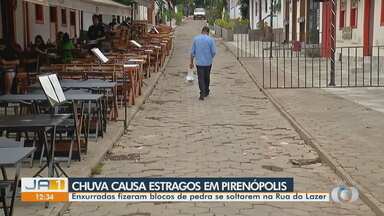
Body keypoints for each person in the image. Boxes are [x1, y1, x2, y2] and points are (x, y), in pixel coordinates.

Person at [190, 26, 216, 100]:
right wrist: (210, 57)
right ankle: (206, 90)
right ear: (208, 32)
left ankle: (202, 93)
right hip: (208, 63)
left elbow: (192, 53)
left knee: (200, 78)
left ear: (202, 31)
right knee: (207, 77)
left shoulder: (196, 39)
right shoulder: (210, 40)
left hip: (199, 63)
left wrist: (191, 62)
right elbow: (214, 52)